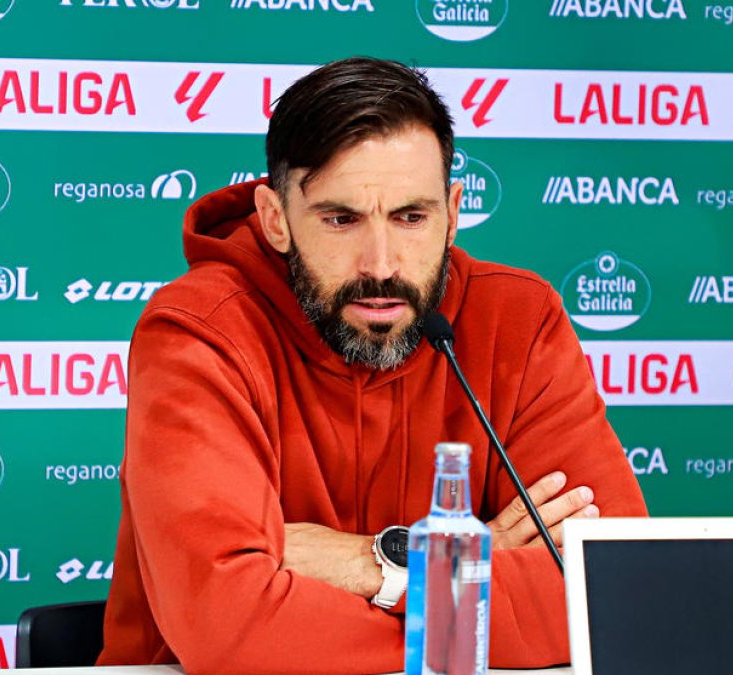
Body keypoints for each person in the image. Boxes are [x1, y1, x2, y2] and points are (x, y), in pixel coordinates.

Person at [97, 57, 647, 674]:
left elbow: (610, 591)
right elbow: (229, 628)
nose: (381, 263)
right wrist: (469, 569)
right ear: (276, 219)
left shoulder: (518, 319)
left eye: (412, 217)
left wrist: (381, 565)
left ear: (453, 212)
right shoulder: (199, 329)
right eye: (341, 219)